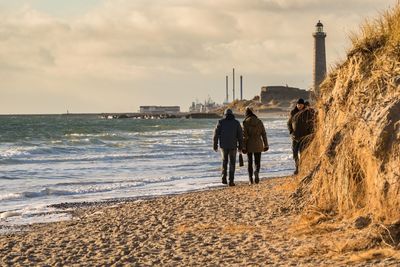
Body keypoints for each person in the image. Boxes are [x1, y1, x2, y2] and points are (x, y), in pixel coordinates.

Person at [213, 109, 243, 186]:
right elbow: (240, 136)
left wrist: (215, 145)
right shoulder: (236, 122)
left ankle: (223, 178)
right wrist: (240, 146)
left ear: (225, 114)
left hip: (223, 146)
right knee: (232, 163)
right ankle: (231, 181)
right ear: (232, 114)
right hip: (233, 145)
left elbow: (216, 135)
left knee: (224, 162)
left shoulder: (220, 122)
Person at [242, 107, 269, 184]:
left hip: (249, 144)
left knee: (250, 162)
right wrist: (266, 145)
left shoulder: (245, 122)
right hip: (258, 143)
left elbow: (244, 136)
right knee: (257, 161)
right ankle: (256, 171)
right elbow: (264, 134)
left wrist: (243, 147)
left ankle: (250, 179)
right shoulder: (259, 121)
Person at [288, 99, 314, 174]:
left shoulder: (307, 112)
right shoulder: (293, 112)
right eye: (298, 104)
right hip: (295, 137)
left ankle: (302, 168)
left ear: (303, 105)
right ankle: (297, 167)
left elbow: (311, 123)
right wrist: (291, 132)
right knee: (294, 153)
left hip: (304, 137)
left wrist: (310, 134)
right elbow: (289, 123)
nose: (299, 106)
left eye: (301, 105)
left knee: (303, 153)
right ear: (296, 105)